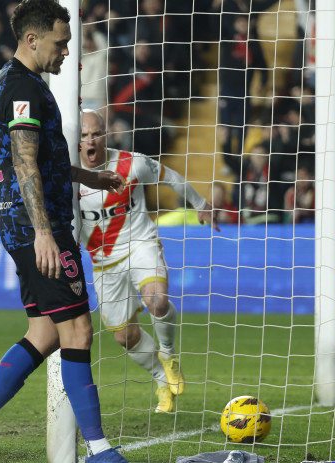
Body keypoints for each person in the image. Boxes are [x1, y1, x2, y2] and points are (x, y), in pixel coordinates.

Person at [0, 2, 127, 462]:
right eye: (60, 42)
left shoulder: (10, 81)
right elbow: (24, 161)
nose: (68, 51)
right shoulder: (23, 88)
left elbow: (34, 160)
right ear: (32, 39)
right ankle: (101, 451)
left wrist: (86, 178)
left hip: (21, 225)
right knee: (79, 331)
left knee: (45, 332)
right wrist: (45, 232)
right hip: (38, 228)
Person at [77, 110, 220, 414]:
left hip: (140, 243)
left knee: (157, 301)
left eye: (96, 134)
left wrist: (201, 204)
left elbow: (172, 178)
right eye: (84, 135)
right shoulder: (68, 177)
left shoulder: (133, 163)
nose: (91, 141)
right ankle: (160, 379)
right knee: (124, 336)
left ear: (107, 134)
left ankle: (169, 356)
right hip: (104, 264)